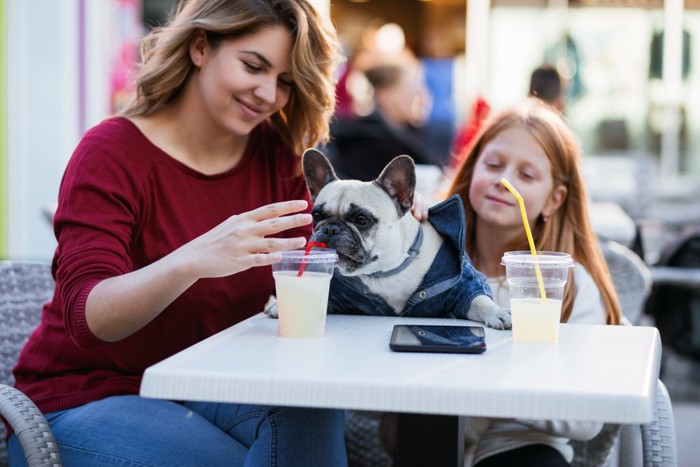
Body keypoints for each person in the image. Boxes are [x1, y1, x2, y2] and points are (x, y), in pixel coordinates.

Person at [8, 1, 348, 466]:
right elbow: (89, 317)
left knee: (311, 410)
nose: (269, 93)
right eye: (254, 66)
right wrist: (193, 259)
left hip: (209, 386)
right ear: (201, 46)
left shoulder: (278, 159)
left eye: (286, 81)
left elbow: (311, 274)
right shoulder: (111, 153)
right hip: (91, 393)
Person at [447, 98, 622, 466]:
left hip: (523, 448)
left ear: (554, 200)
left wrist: (484, 387)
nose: (502, 180)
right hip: (430, 439)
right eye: (493, 165)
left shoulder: (569, 288)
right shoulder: (431, 264)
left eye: (526, 175)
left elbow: (584, 416)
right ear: (473, 166)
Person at [326, 57, 439, 181]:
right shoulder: (369, 146)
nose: (423, 97)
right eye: (412, 90)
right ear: (386, 95)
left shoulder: (410, 137)